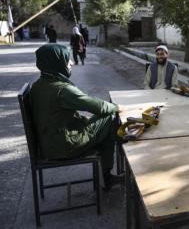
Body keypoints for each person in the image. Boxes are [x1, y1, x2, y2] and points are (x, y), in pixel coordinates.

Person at [30, 44, 124, 189]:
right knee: (109, 117)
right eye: (67, 60)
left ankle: (107, 173)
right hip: (65, 146)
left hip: (48, 144)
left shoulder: (39, 85)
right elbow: (98, 106)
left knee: (102, 127)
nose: (72, 63)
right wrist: (117, 107)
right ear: (56, 62)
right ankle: (109, 175)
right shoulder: (62, 89)